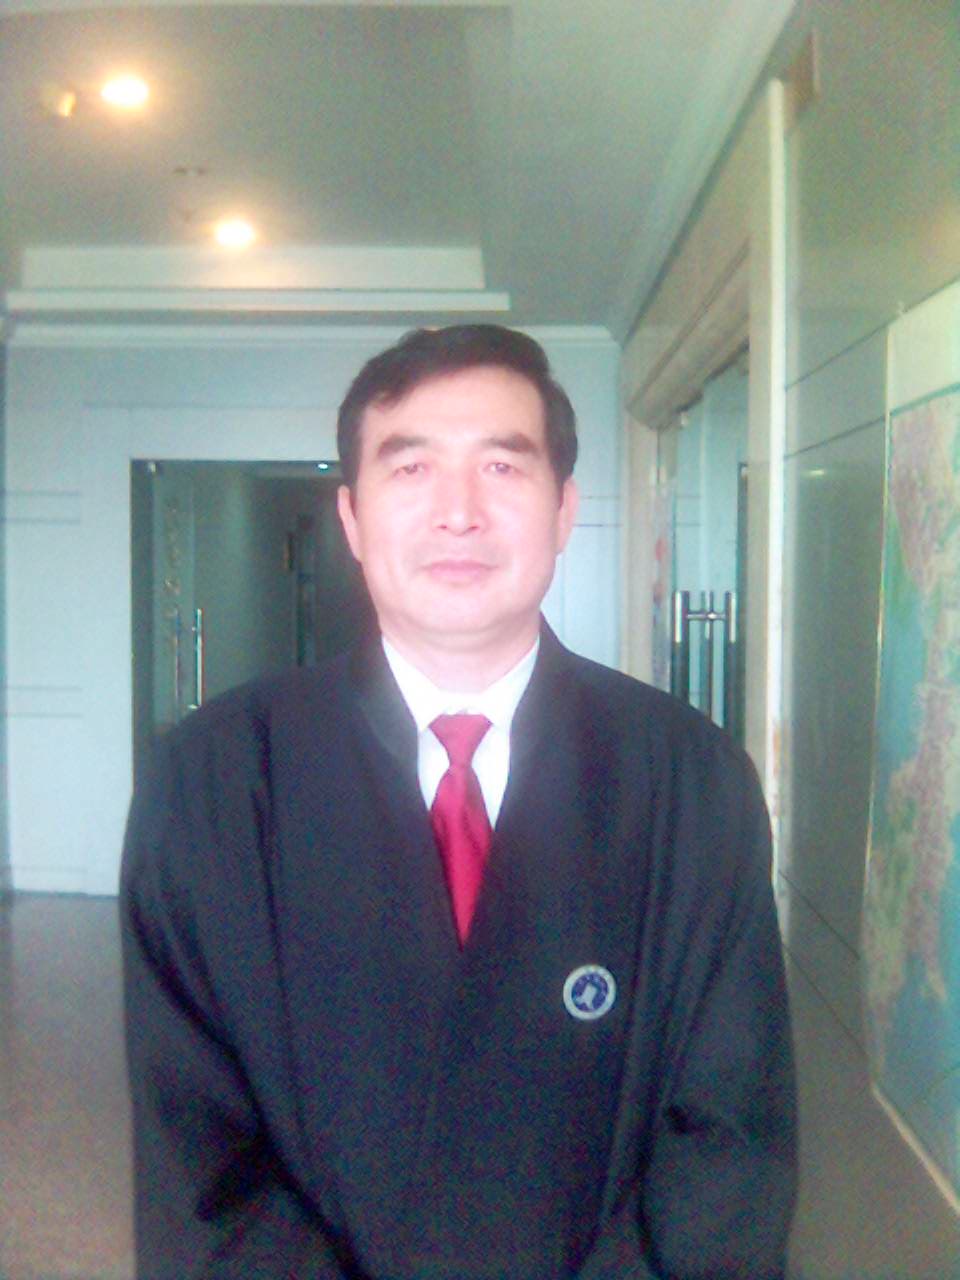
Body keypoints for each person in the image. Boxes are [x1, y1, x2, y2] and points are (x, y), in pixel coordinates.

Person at [121, 324, 796, 1280]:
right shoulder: (212, 782)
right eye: (411, 470)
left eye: (502, 467)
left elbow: (732, 1139)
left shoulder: (691, 780)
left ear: (564, 511)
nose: (459, 513)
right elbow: (193, 1157)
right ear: (352, 519)